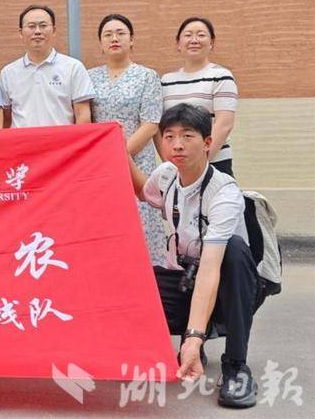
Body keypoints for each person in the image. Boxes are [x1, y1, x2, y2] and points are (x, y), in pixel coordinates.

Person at [128, 104, 261, 409]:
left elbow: (211, 268)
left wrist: (193, 336)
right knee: (132, 284)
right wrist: (118, 151)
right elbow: (143, 192)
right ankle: (194, 338)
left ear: (207, 143)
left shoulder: (224, 193)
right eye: (169, 136)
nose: (177, 145)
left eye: (187, 136)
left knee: (234, 252)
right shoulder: (166, 175)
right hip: (184, 278)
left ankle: (236, 366)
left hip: (228, 288)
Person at [88, 14, 166, 264]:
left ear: (132, 40)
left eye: (120, 33)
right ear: (100, 44)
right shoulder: (88, 77)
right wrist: (105, 157)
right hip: (100, 164)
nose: (114, 38)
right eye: (108, 34)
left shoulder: (147, 76)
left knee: (140, 221)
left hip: (137, 162)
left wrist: (120, 155)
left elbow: (150, 124)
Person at [159, 17, 238, 176]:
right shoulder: (166, 81)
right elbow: (159, 126)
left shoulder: (221, 76)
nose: (194, 40)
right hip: (177, 164)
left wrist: (200, 162)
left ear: (211, 43)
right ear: (178, 43)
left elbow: (224, 124)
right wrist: (170, 162)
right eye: (188, 35)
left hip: (214, 162)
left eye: (201, 35)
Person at [0, 5, 94, 127]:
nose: (37, 31)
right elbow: (5, 119)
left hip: (62, 139)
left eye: (43, 26)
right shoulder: (8, 73)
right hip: (22, 139)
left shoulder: (73, 67)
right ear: (21, 33)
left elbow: (83, 117)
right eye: (31, 26)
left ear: (54, 30)